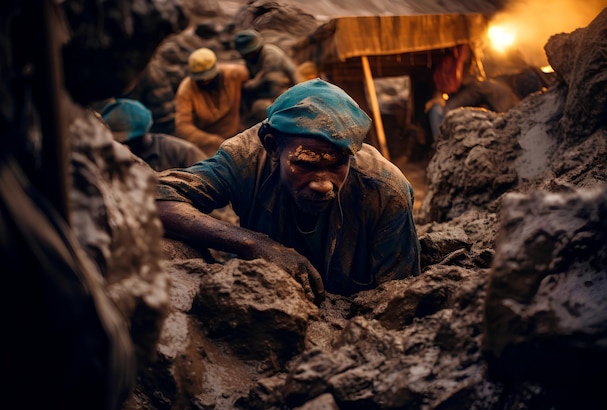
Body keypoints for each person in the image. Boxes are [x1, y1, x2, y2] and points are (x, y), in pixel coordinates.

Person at [156, 79, 421, 300]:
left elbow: (400, 301)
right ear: (273, 147)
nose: (323, 184)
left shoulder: (385, 190)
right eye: (305, 164)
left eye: (338, 165)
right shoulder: (246, 159)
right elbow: (155, 198)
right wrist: (255, 244)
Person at [175, 47, 249, 157]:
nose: (205, 81)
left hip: (237, 132)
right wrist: (213, 140)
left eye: (209, 78)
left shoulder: (233, 73)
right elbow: (183, 126)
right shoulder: (186, 90)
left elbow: (259, 75)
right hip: (208, 143)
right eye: (201, 79)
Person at [101, 98, 206, 171]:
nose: (125, 146)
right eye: (118, 142)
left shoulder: (182, 152)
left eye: (130, 141)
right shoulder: (108, 158)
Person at [234, 29, 298, 127]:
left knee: (261, 108)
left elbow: (272, 81)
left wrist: (250, 85)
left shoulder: (271, 55)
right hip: (265, 88)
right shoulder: (251, 58)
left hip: (284, 89)